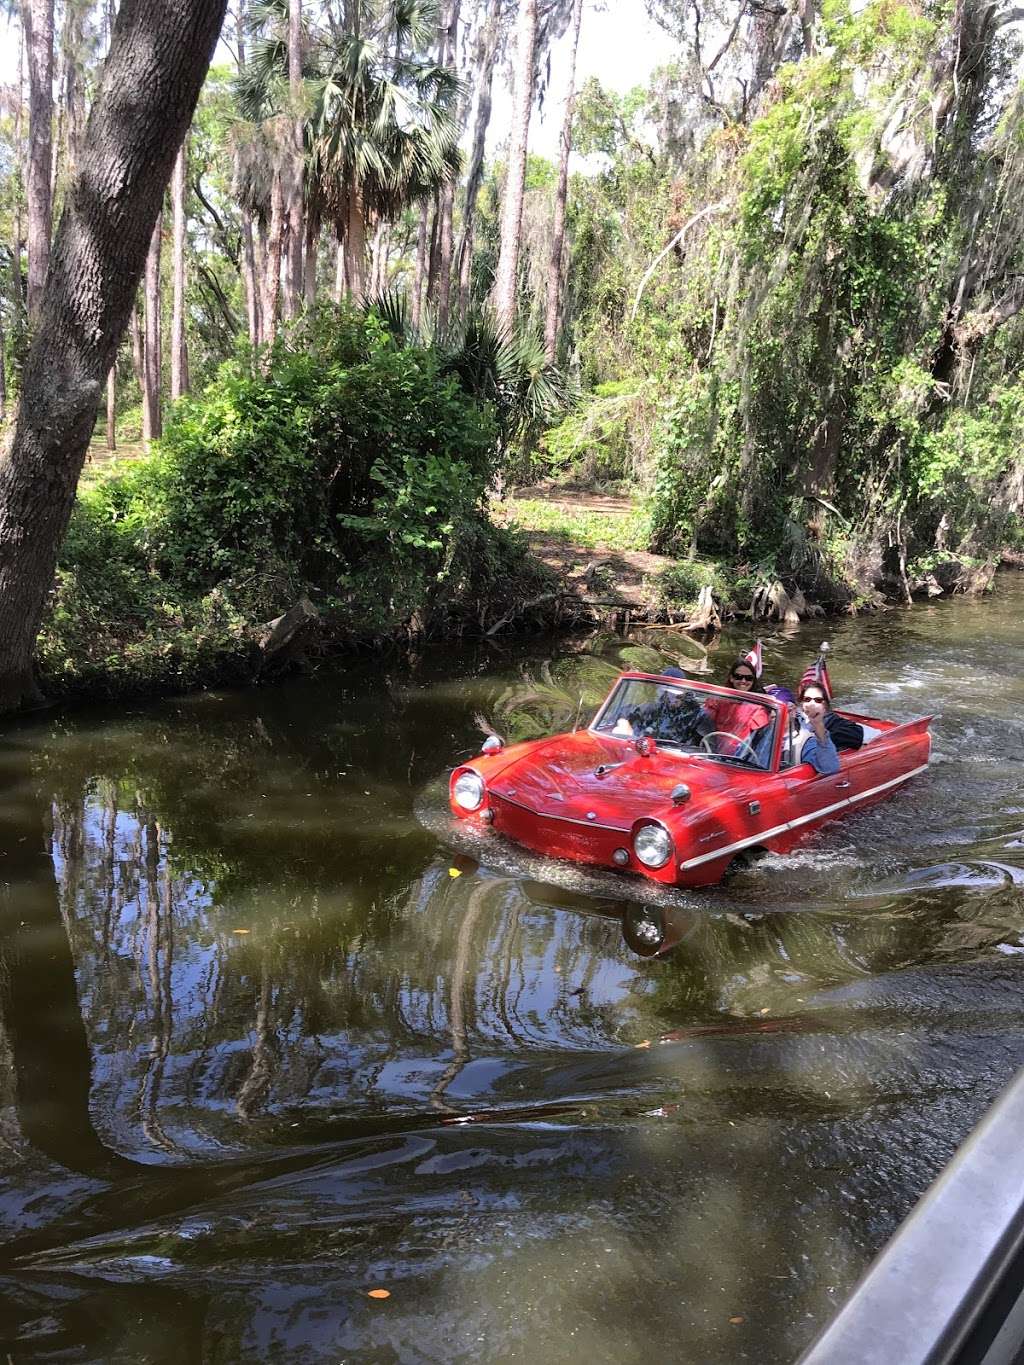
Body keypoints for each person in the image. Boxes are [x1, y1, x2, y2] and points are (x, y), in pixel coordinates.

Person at [791, 682, 840, 774]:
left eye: (818, 700)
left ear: (825, 705)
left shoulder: (834, 721)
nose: (812, 704)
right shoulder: (791, 717)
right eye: (807, 699)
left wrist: (818, 726)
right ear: (801, 703)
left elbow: (830, 767)